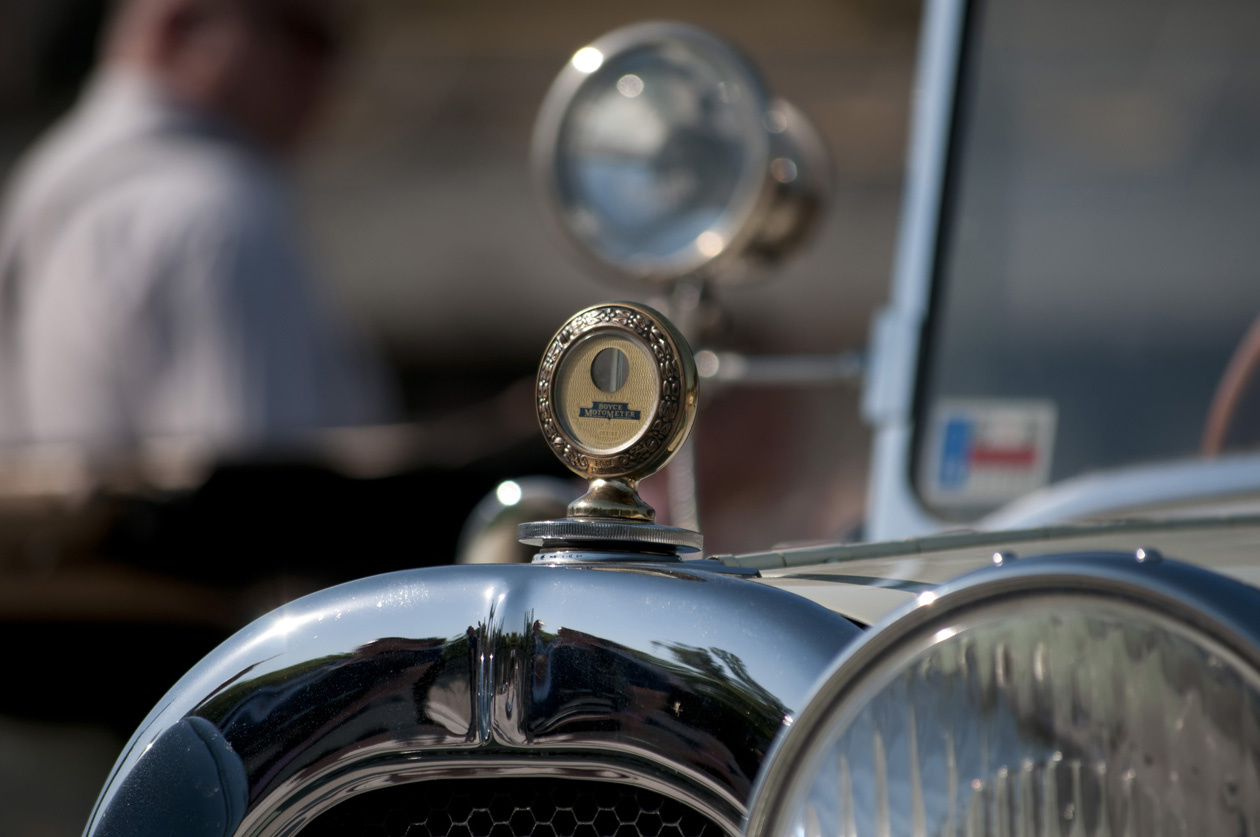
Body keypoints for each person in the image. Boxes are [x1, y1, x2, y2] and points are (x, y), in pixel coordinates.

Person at [0, 0, 395, 452]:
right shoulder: (214, 211)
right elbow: (252, 488)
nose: (330, 73)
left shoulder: (45, 177)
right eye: (305, 36)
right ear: (180, 27)